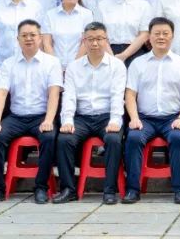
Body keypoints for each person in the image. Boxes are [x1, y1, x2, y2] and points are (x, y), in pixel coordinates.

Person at [0, 19, 63, 205]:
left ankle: (41, 187)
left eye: (33, 35)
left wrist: (49, 120)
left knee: (49, 137)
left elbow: (54, 94)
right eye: (24, 35)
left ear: (40, 38)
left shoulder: (52, 62)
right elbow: (1, 93)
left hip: (41, 116)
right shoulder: (8, 63)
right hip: (16, 117)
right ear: (18, 39)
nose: (29, 39)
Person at [123, 17, 180, 204]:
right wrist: (134, 118)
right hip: (145, 118)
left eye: (165, 33)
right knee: (133, 138)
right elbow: (130, 94)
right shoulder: (138, 63)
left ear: (172, 36)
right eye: (157, 33)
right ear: (149, 37)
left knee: (178, 138)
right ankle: (133, 190)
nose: (161, 37)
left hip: (172, 118)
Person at [54, 21, 127, 204]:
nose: (95, 43)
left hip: (106, 116)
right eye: (90, 39)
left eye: (99, 39)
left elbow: (117, 96)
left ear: (106, 40)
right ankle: (68, 189)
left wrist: (115, 120)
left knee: (113, 139)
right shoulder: (74, 67)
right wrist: (67, 121)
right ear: (83, 41)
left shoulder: (117, 66)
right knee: (64, 139)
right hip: (82, 118)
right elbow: (69, 97)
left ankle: (110, 191)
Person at [96, 0, 153, 65]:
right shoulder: (102, 6)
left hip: (136, 53)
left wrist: (124, 55)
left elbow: (144, 34)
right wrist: (112, 57)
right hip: (108, 53)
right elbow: (99, 34)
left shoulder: (143, 6)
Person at [42, 0, 94, 70]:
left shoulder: (87, 15)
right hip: (54, 68)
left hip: (79, 68)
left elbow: (85, 43)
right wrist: (56, 67)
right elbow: (47, 43)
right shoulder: (50, 15)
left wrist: (73, 67)